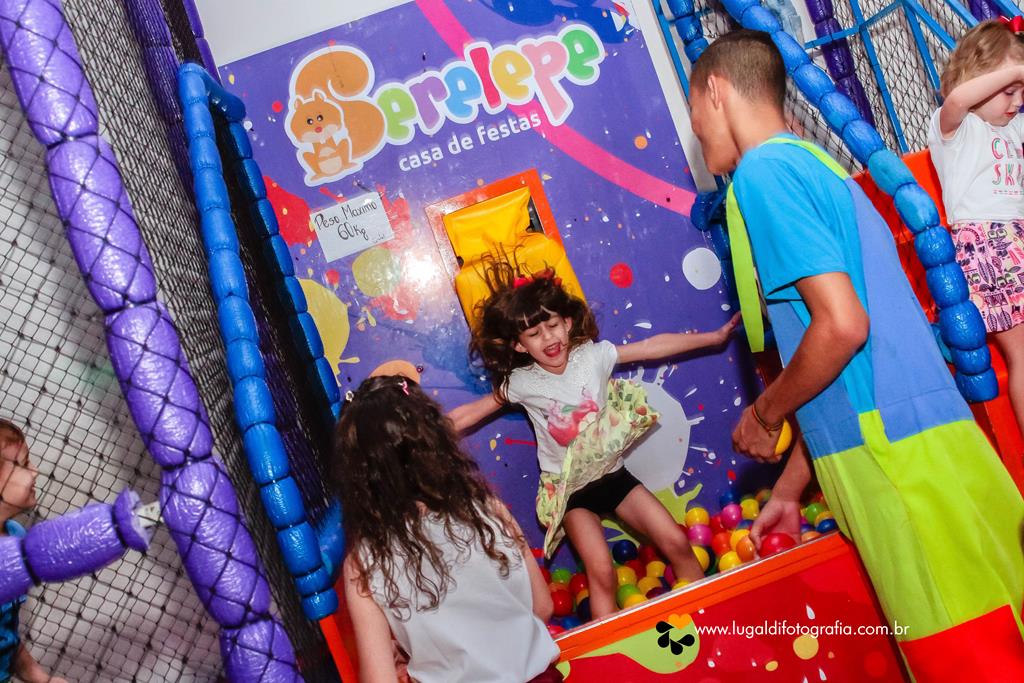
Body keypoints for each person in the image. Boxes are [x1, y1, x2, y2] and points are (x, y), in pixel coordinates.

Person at [688, 28, 1024, 679]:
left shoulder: (761, 173)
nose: (701, 143)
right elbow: (858, 355)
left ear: (717, 91)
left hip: (894, 459)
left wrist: (764, 413)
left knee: (961, 653)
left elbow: (842, 327)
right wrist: (792, 485)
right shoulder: (818, 164)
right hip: (938, 441)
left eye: (697, 120)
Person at [449, 261, 738, 619]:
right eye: (534, 334)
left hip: (613, 476)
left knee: (677, 541)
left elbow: (651, 347)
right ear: (520, 346)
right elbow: (472, 412)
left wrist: (714, 337)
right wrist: (425, 436)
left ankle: (708, 617)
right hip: (570, 493)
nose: (548, 338)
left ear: (567, 323)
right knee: (602, 573)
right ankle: (610, 652)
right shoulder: (522, 382)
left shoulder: (594, 355)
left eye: (552, 325)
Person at [330, 375, 562, 683]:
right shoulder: (485, 507)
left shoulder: (364, 562)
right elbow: (543, 607)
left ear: (359, 477)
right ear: (435, 443)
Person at [928, 18, 1024, 433]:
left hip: (1016, 237)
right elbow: (956, 98)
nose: (1016, 100)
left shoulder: (1013, 125)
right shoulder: (957, 127)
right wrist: (1017, 69)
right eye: (1008, 90)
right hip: (987, 246)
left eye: (1022, 92)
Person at [0, 419, 68, 683]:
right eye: (24, 464)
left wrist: (40, 678)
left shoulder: (16, 536)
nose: (35, 471)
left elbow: (7, 637)